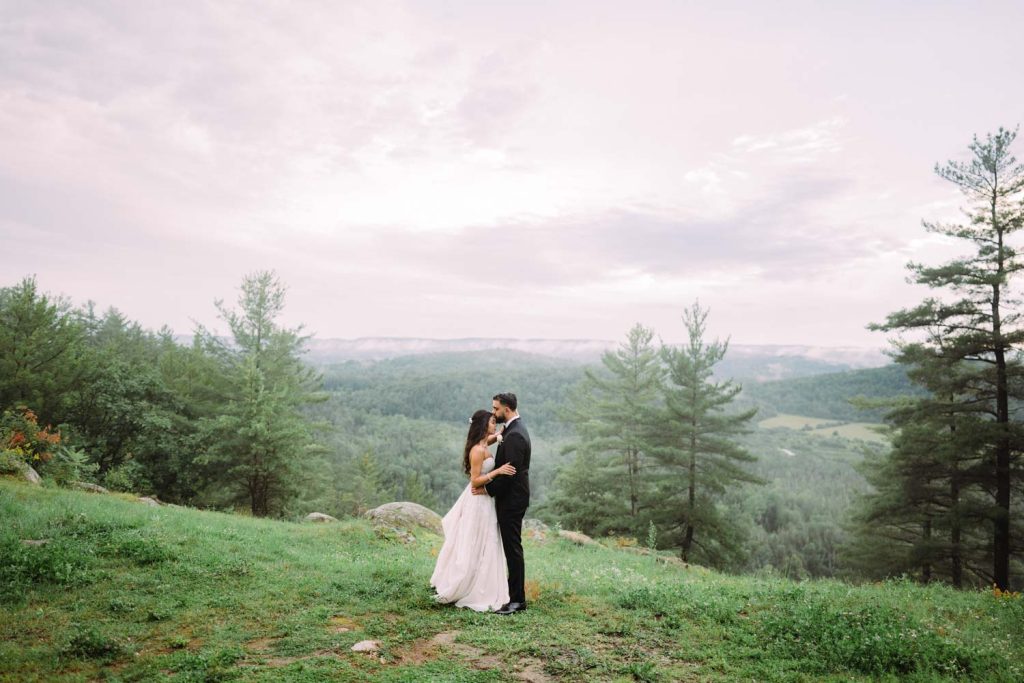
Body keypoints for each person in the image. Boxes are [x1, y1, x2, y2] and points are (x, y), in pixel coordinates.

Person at [430, 409, 516, 611]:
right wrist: (498, 471)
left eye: (495, 422)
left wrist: (502, 433)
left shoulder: (485, 442)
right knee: (474, 539)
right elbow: (474, 481)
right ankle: (468, 582)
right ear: (483, 425)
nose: (494, 425)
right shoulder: (477, 450)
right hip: (477, 501)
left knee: (487, 540)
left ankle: (483, 579)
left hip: (486, 501)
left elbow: (491, 439)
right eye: (492, 422)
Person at [473, 392, 531, 615]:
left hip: (512, 499)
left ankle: (517, 600)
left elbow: (509, 474)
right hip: (512, 497)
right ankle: (510, 593)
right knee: (510, 547)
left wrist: (486, 489)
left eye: (496, 409)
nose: (493, 413)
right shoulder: (512, 429)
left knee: (513, 549)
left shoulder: (515, 435)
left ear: (507, 409)